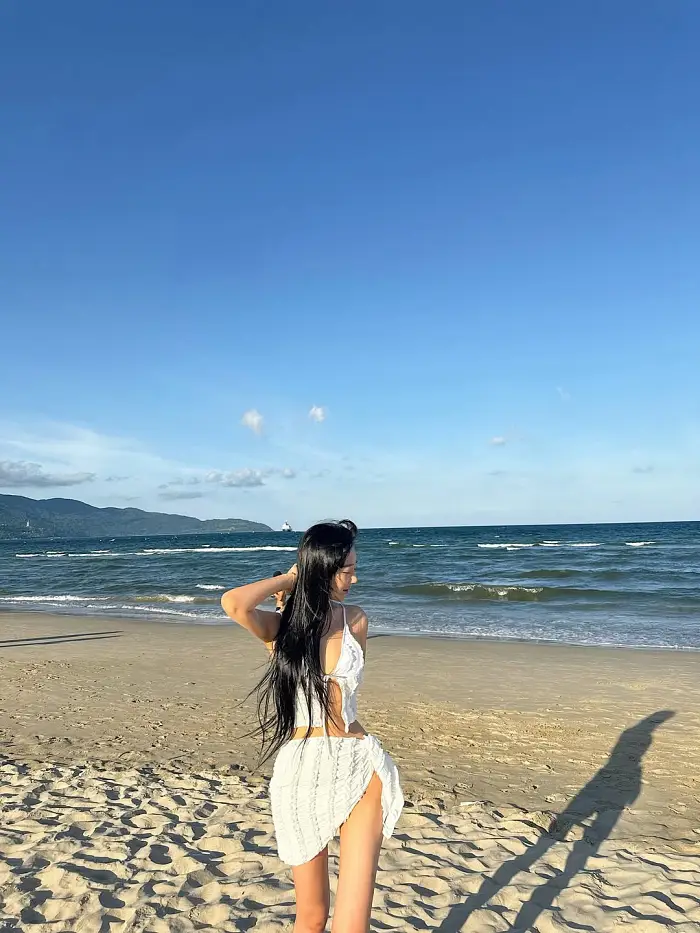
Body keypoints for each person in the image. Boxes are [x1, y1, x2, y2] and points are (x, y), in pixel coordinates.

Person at [221, 519, 403, 933]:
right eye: (347, 571)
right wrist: (292, 578)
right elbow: (234, 604)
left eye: (354, 568)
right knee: (311, 916)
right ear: (322, 569)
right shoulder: (281, 630)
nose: (354, 579)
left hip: (359, 762)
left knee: (352, 923)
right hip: (301, 769)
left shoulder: (355, 620)